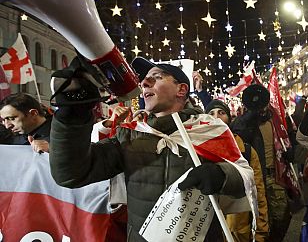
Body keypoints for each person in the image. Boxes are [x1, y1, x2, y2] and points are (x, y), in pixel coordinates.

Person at [49, 56, 253, 241]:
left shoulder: (211, 129)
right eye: (145, 79)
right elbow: (71, 174)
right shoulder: (129, 134)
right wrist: (72, 115)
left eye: (156, 77)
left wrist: (222, 175)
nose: (144, 83)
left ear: (181, 90)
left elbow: (245, 177)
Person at [231, 84, 293, 242]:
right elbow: (238, 133)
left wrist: (290, 152)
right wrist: (251, 114)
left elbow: (289, 139)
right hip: (256, 178)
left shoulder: (276, 121)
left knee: (281, 215)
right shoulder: (245, 123)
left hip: (275, 177)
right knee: (259, 218)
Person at [205, 99, 269, 242]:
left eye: (221, 113)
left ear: (229, 118)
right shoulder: (197, 153)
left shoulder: (245, 151)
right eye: (211, 113)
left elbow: (258, 194)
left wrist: (260, 232)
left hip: (240, 234)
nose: (216, 117)